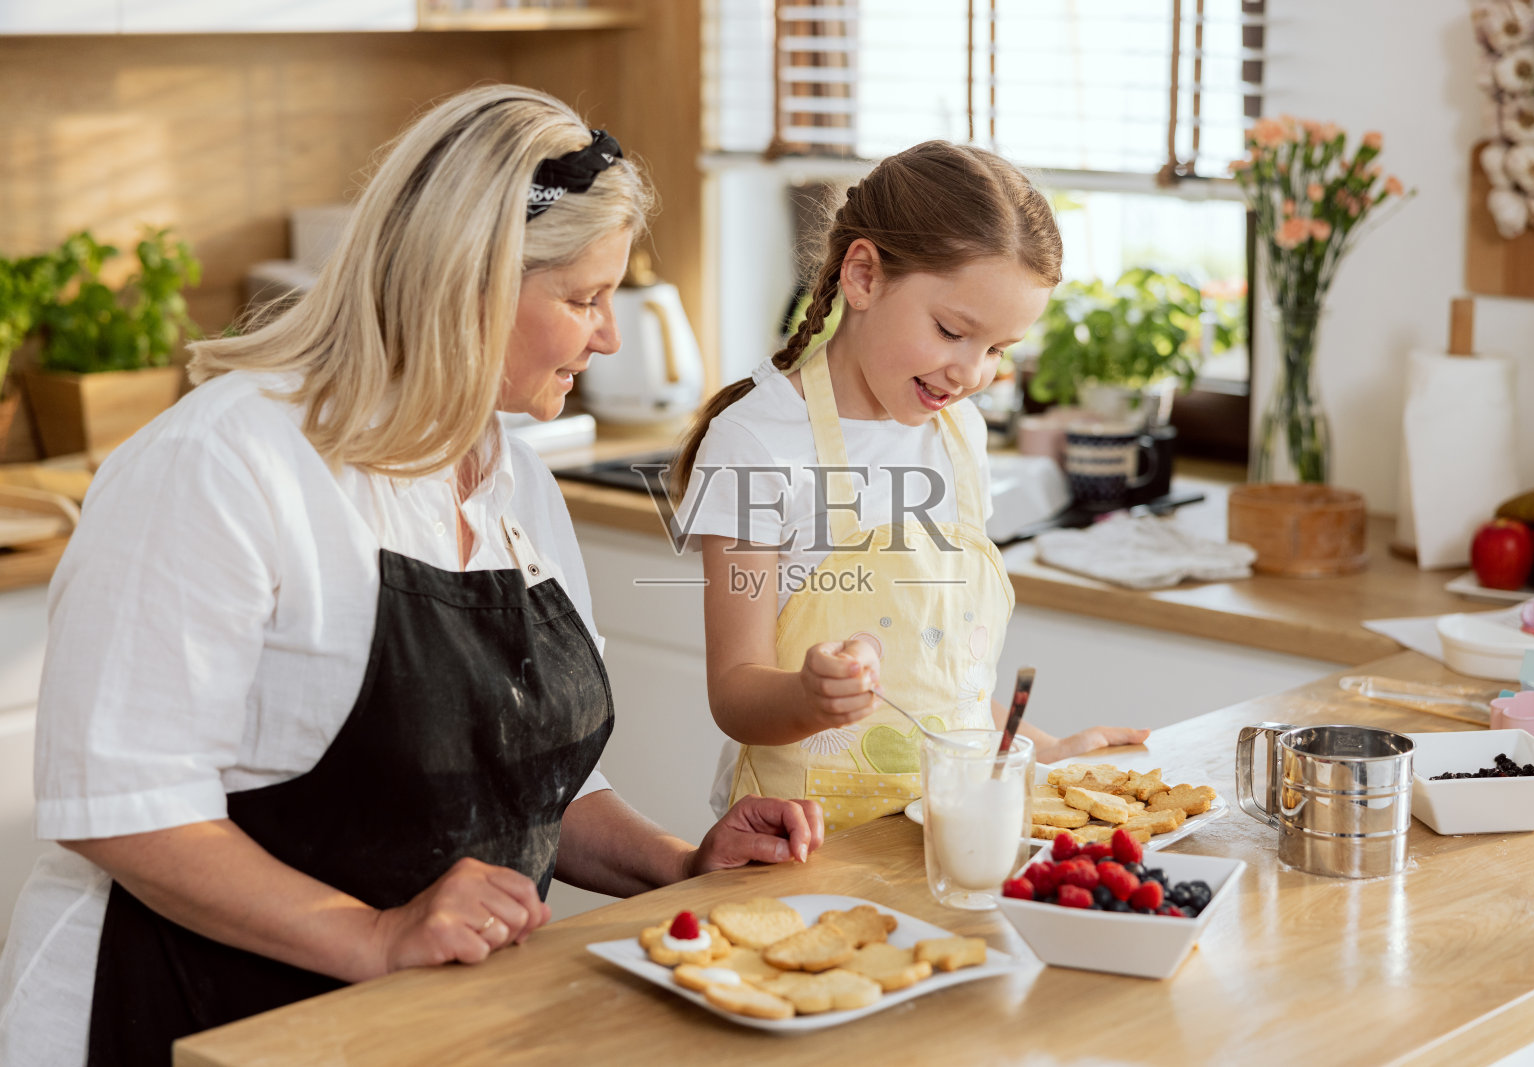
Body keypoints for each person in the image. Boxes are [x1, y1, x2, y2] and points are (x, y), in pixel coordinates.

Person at [0, 85, 824, 1067]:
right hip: (190, 1016)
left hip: (419, 1029)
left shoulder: (511, 471)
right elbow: (123, 808)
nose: (607, 336)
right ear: (470, 284)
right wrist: (375, 936)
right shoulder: (222, 463)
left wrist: (681, 866)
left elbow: (524, 777)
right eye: (583, 298)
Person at [670, 142, 1150, 832]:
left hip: (943, 827)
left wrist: (1042, 752)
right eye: (952, 331)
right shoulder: (758, 444)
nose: (971, 373)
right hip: (798, 840)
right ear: (863, 275)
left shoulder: (960, 436)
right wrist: (809, 697)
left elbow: (944, 683)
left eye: (997, 350)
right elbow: (736, 691)